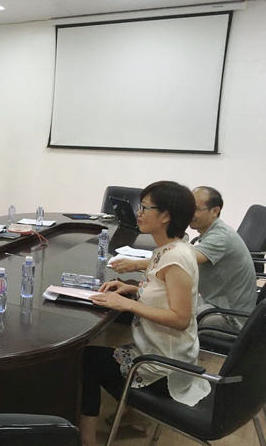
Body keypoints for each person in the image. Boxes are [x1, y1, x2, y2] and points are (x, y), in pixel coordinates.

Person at [79, 181, 210, 446]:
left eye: (145, 208)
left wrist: (128, 304)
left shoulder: (177, 258)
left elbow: (180, 318)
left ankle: (87, 440)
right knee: (93, 353)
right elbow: (163, 293)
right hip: (159, 352)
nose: (138, 213)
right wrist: (130, 289)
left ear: (166, 216)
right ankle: (120, 415)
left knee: (87, 358)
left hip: (164, 368)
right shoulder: (169, 249)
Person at [110, 186, 256, 331]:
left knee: (150, 311)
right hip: (212, 302)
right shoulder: (205, 234)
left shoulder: (220, 237)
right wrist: (136, 290)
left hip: (228, 316)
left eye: (196, 209)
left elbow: (182, 260)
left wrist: (136, 265)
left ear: (215, 211)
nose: (189, 213)